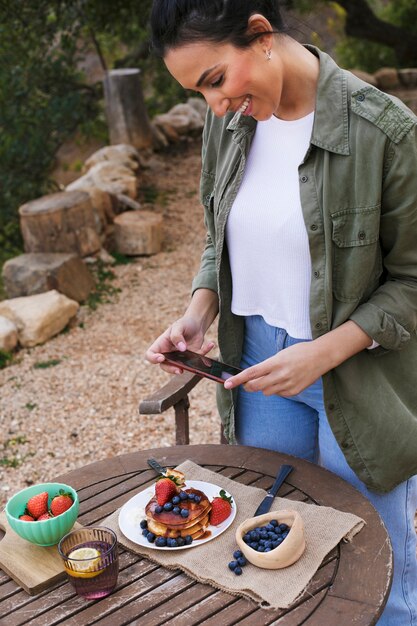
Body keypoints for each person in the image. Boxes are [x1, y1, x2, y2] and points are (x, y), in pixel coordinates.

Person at [145, 2, 417, 623]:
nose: (214, 106)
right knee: (279, 560)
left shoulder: (386, 132)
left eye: (214, 79)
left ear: (262, 36)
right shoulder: (231, 123)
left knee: (381, 570)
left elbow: (412, 282)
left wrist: (320, 354)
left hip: (362, 376)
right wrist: (198, 313)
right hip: (256, 367)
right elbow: (222, 240)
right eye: (198, 92)